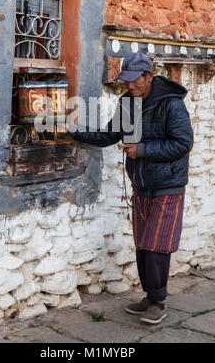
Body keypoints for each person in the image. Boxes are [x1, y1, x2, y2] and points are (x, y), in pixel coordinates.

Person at [68, 52, 194, 325]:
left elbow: (183, 144)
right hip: (141, 185)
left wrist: (142, 150)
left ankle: (158, 302)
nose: (130, 86)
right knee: (142, 245)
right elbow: (109, 135)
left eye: (135, 81)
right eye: (125, 81)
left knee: (156, 245)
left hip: (168, 184)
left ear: (149, 76)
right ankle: (150, 297)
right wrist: (72, 130)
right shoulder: (127, 103)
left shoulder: (171, 105)